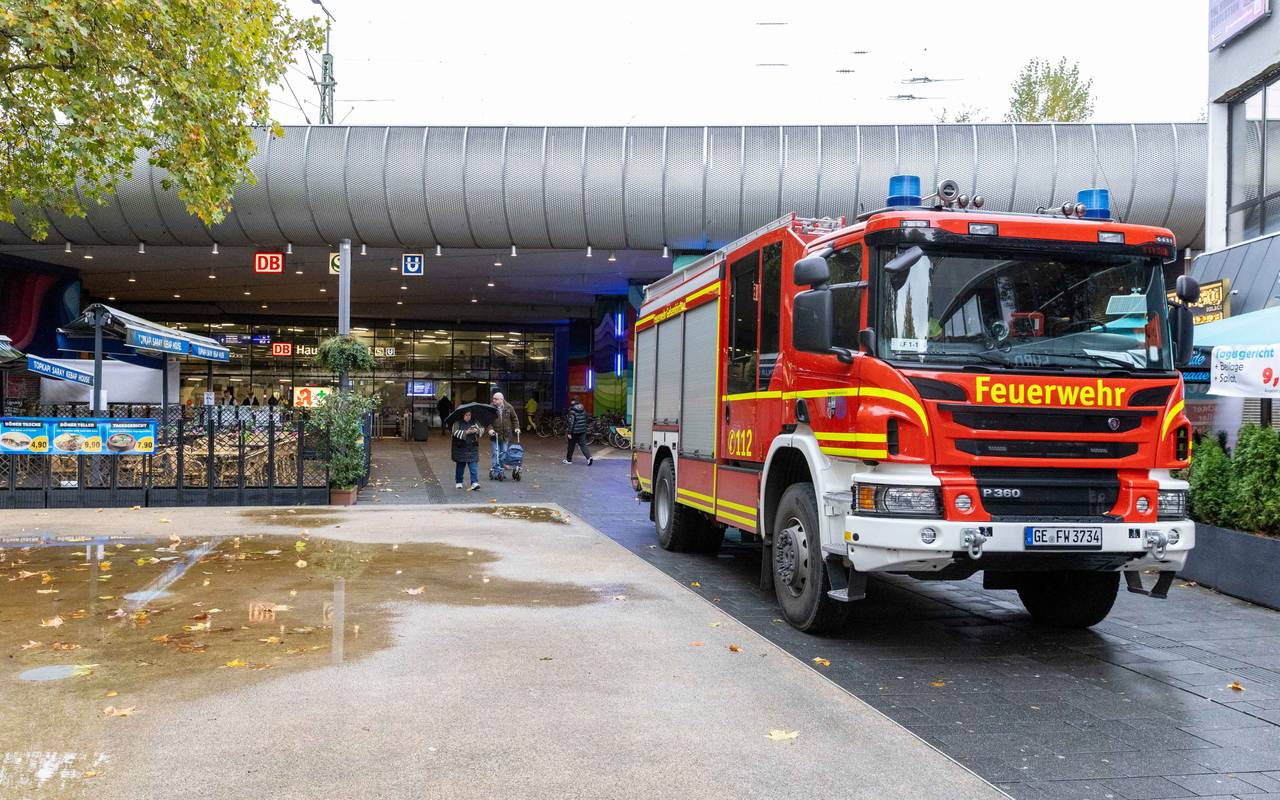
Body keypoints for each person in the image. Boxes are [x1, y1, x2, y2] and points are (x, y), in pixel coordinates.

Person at [488, 391, 521, 477]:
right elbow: (487, 421)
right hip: (495, 435)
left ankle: (500, 469)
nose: (493, 400)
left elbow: (514, 418)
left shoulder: (509, 407)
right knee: (496, 453)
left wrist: (517, 428)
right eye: (493, 398)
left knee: (504, 453)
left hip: (506, 435)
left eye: (495, 399)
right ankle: (496, 470)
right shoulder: (491, 407)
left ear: (501, 400)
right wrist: (490, 430)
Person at [450, 410, 482, 491]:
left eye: (469, 415)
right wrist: (467, 432)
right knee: (460, 466)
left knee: (473, 467)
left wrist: (476, 430)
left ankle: (474, 482)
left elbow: (481, 429)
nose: (468, 417)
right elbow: (455, 432)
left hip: (472, 448)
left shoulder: (474, 421)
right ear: (462, 415)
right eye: (466, 415)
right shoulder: (457, 422)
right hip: (460, 448)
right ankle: (459, 482)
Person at [563, 395, 593, 465]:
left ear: (574, 401)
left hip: (574, 431)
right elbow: (586, 418)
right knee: (583, 445)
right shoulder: (583, 409)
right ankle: (589, 458)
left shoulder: (572, 411)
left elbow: (571, 422)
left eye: (572, 400)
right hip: (582, 430)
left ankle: (568, 460)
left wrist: (569, 433)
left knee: (571, 445)